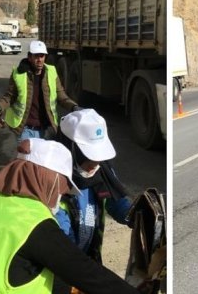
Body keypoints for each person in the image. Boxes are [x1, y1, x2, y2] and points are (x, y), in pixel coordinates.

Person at [0, 138, 140, 294]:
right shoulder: (34, 223)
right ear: (48, 181)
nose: (61, 195)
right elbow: (85, 272)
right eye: (62, 187)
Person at [53, 109, 135, 292]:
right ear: (69, 148)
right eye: (89, 156)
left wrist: (138, 215)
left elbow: (117, 203)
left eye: (99, 156)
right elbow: (62, 245)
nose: (95, 164)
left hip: (88, 260)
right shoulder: (53, 182)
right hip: (60, 270)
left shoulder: (102, 171)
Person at [0, 40, 79, 142]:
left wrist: (74, 106)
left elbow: (62, 96)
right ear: (29, 57)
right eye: (36, 56)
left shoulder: (51, 72)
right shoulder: (19, 74)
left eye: (42, 56)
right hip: (25, 130)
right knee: (27, 158)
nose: (40, 59)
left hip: (47, 130)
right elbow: (10, 96)